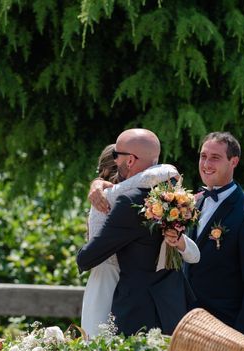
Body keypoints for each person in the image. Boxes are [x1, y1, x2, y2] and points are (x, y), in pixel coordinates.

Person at [77, 128, 198, 336]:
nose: (115, 161)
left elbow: (87, 258)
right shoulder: (173, 196)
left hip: (136, 310)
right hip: (173, 305)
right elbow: (194, 255)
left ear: (131, 160)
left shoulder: (128, 201)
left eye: (117, 155)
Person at [184, 131, 244, 341]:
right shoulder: (192, 203)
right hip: (186, 325)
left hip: (226, 329)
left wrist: (242, 339)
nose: (206, 164)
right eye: (203, 156)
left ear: (234, 162)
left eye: (215, 158)